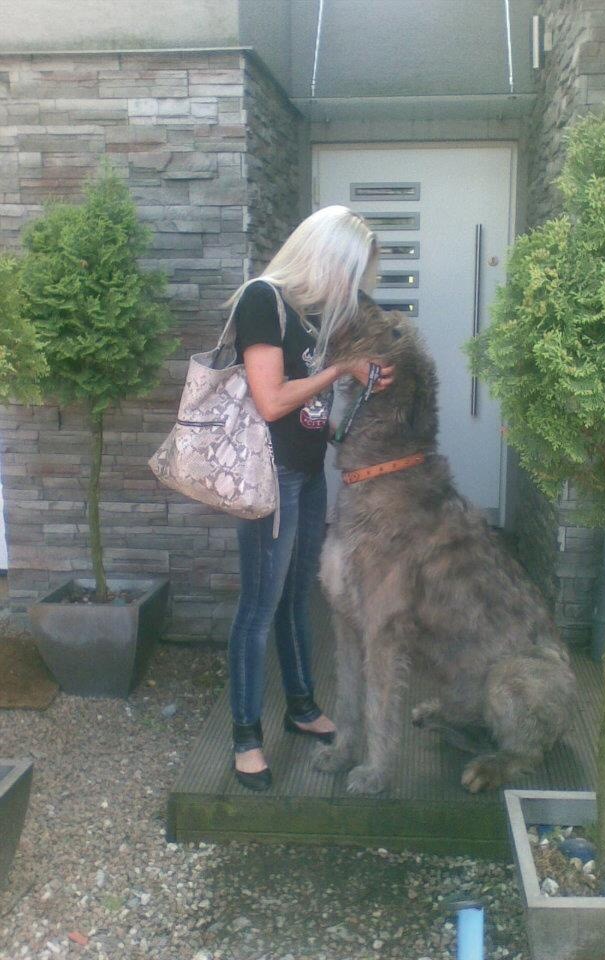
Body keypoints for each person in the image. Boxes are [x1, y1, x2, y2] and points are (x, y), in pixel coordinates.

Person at [227, 206, 394, 791]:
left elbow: (314, 400)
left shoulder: (311, 313)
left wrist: (360, 378)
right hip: (270, 476)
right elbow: (271, 401)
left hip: (307, 469)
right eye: (350, 272)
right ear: (325, 256)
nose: (352, 287)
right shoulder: (262, 300)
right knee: (259, 605)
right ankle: (246, 736)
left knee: (298, 597)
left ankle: (300, 708)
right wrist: (340, 369)